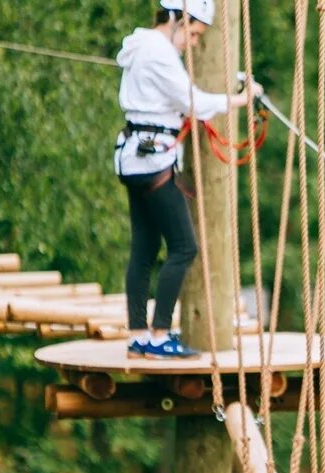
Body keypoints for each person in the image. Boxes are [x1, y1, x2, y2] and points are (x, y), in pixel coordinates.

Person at [113, 0, 262, 359]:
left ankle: (138, 336)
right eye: (193, 33)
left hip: (136, 158)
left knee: (145, 249)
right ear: (179, 18)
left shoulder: (141, 46)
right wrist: (242, 99)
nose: (192, 43)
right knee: (184, 247)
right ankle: (160, 333)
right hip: (152, 162)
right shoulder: (159, 53)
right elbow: (194, 102)